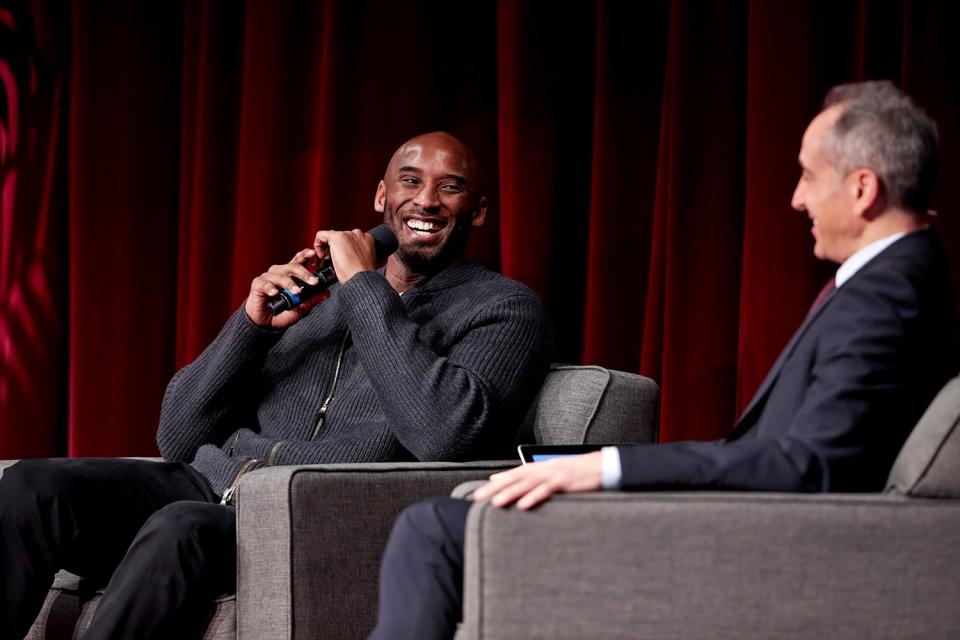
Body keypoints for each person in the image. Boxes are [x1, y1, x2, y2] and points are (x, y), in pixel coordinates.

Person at [368, 82, 960, 639]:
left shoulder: (889, 296)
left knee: (434, 531)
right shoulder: (893, 280)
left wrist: (609, 469)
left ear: (862, 189)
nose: (796, 197)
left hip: (757, 540)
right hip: (753, 520)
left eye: (808, 175)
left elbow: (808, 465)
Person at [0, 132, 552, 639]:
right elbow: (178, 438)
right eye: (410, 181)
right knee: (32, 486)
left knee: (179, 526)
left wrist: (363, 286)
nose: (426, 200)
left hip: (307, 512)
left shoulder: (503, 309)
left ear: (477, 212)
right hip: (211, 487)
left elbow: (444, 436)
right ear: (381, 197)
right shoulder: (321, 299)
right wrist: (250, 326)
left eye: (449, 188)